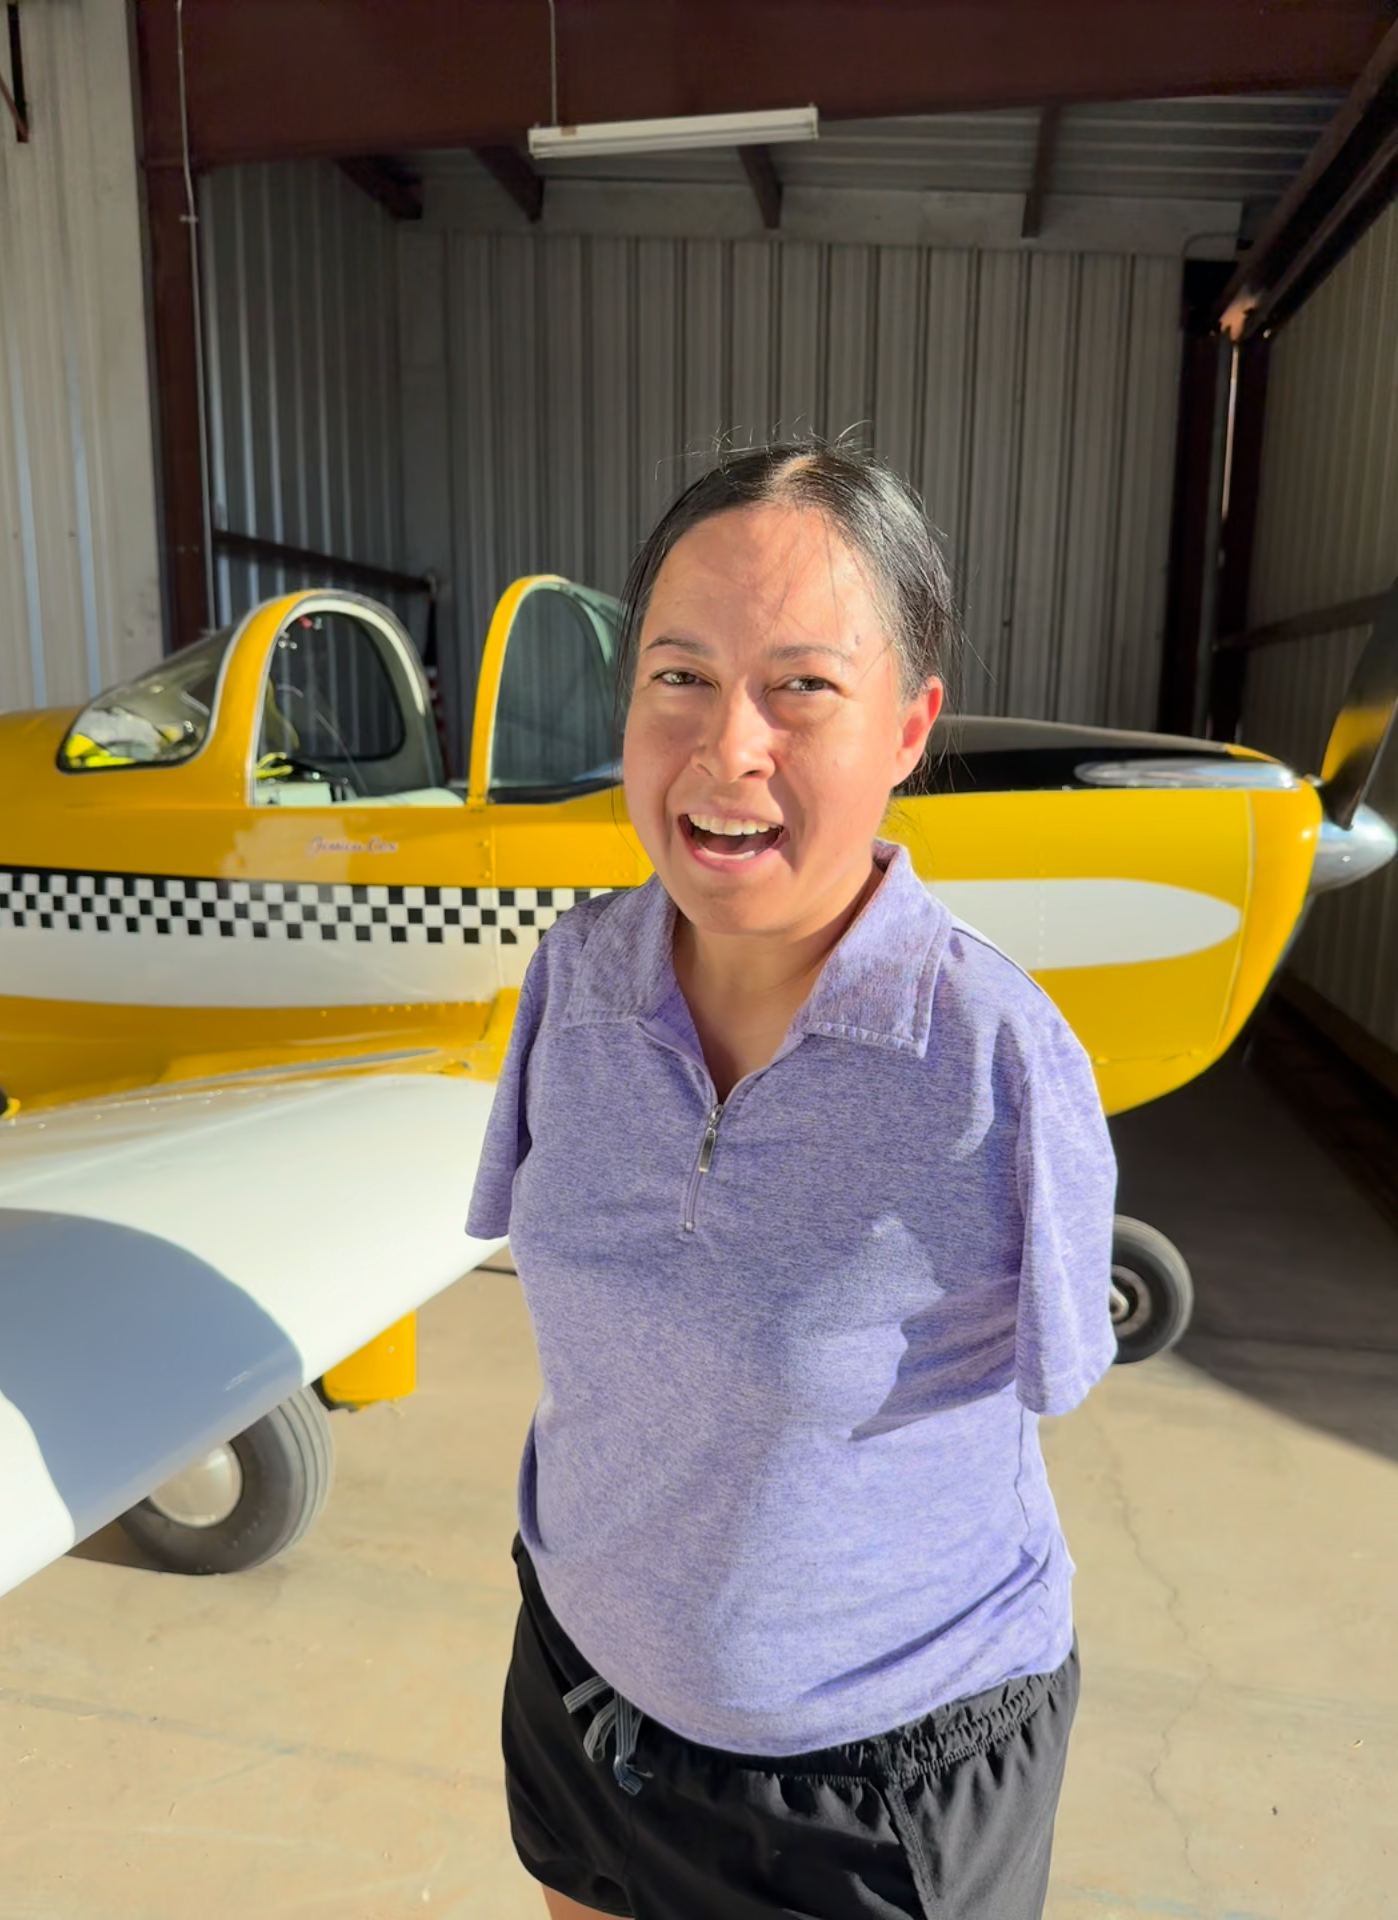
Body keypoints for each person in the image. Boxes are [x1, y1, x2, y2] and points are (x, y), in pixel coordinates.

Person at [467, 442, 1117, 1919]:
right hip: (582, 1687)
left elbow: (1047, 1396)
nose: (726, 749)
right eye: (679, 676)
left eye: (801, 687)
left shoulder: (996, 1065)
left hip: (869, 1784)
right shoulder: (572, 984)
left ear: (909, 726)